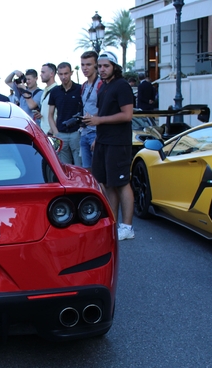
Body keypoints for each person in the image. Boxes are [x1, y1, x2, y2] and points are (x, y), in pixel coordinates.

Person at [83, 51, 135, 241]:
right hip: (104, 141)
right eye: (100, 66)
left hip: (118, 143)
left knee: (122, 183)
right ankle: (113, 224)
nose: (102, 70)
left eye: (106, 66)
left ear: (115, 66)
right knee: (108, 184)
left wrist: (98, 121)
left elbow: (127, 115)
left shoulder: (121, 86)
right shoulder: (103, 87)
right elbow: (104, 114)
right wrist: (98, 134)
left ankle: (127, 227)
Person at [48, 62, 82, 165]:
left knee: (79, 166)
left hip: (76, 133)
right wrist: (56, 133)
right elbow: (50, 114)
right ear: (57, 74)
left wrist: (81, 129)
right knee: (64, 167)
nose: (63, 77)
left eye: (66, 73)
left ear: (71, 73)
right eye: (61, 74)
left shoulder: (80, 89)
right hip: (61, 133)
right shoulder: (55, 91)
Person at [79, 51, 102, 171]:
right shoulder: (84, 85)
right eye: (82, 65)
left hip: (96, 132)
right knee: (86, 170)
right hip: (84, 132)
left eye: (88, 64)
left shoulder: (100, 84)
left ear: (96, 66)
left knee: (98, 171)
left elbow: (105, 110)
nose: (84, 68)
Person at [35, 63, 58, 135]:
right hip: (44, 132)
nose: (41, 75)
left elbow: (60, 114)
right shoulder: (45, 91)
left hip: (52, 134)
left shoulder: (57, 91)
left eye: (43, 72)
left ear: (51, 73)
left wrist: (51, 131)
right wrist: (40, 114)